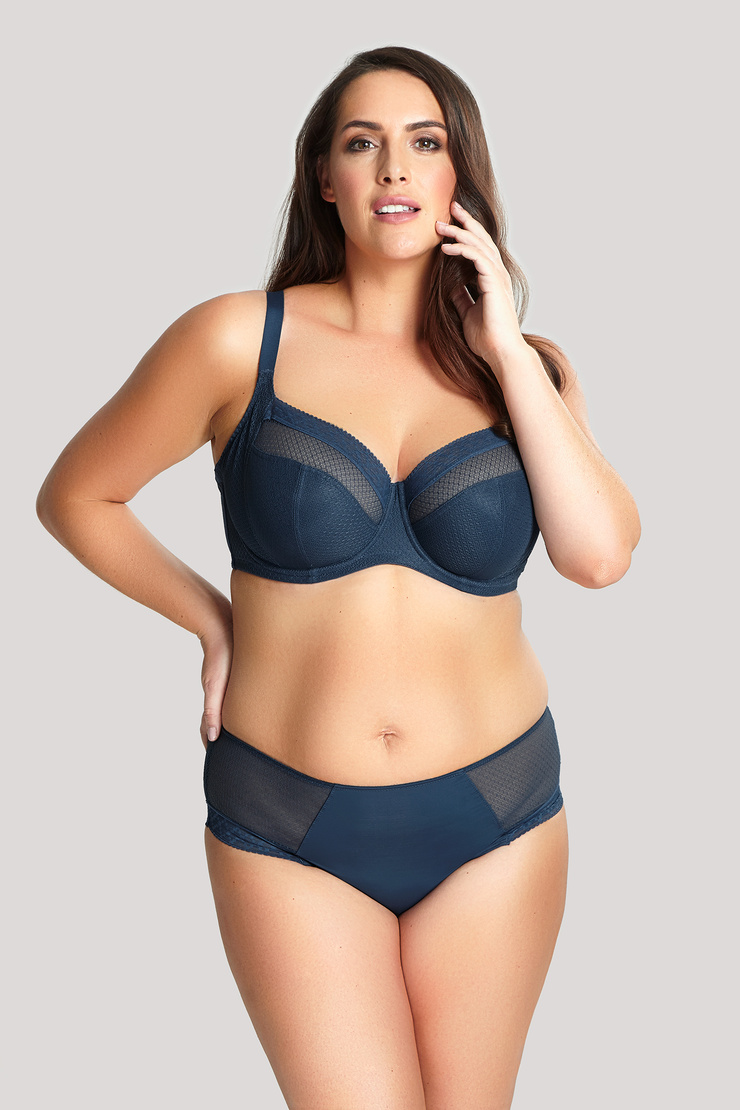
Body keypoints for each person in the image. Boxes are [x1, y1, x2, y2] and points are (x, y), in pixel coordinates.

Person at [37, 44, 640, 1110]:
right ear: (325, 176)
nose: (394, 167)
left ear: (459, 175)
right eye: (363, 143)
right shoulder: (237, 339)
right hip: (287, 821)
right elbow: (78, 496)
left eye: (425, 143)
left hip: (496, 813)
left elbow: (596, 557)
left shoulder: (527, 368)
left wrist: (505, 347)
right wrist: (212, 622)